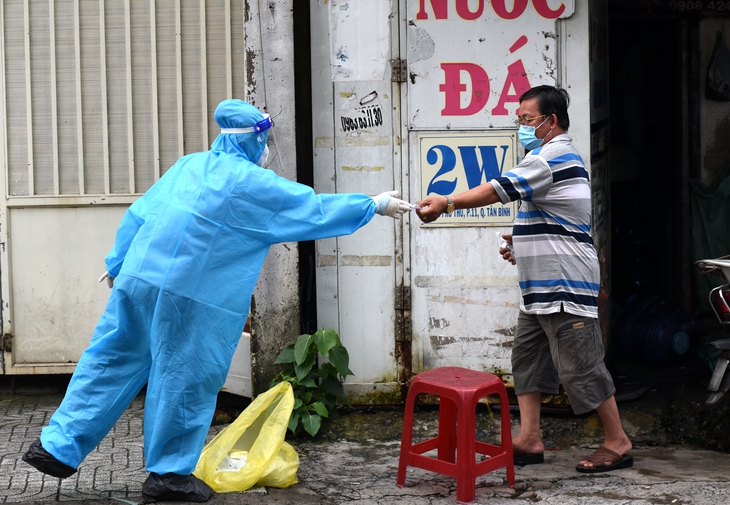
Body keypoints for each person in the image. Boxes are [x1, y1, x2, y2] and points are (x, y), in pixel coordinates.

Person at [22, 99, 413, 502]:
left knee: (111, 359)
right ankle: (169, 476)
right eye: (265, 141)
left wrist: (116, 261)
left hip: (139, 279)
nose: (267, 149)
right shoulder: (253, 184)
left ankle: (56, 447)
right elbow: (310, 208)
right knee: (184, 377)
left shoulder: (189, 165)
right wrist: (373, 205)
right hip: (191, 295)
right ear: (255, 140)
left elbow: (141, 214)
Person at [415, 85, 633, 473]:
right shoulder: (545, 156)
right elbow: (559, 219)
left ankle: (618, 441)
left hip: (564, 284)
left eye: (527, 120)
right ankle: (530, 439)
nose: (522, 127)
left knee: (580, 365)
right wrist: (523, 243)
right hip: (539, 288)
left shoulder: (553, 155)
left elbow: (502, 189)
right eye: (519, 121)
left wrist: (448, 202)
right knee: (528, 361)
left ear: (551, 122)